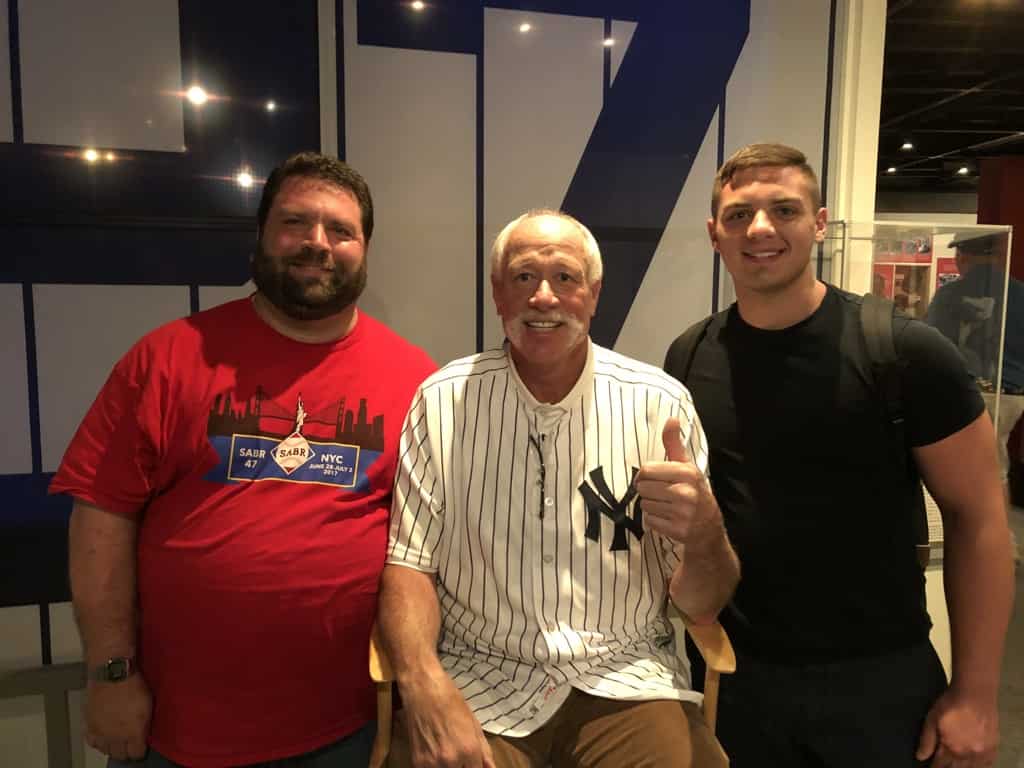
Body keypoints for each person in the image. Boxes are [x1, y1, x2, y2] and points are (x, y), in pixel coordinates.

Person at [49, 152, 436, 767]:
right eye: (295, 223)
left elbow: (424, 549)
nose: (317, 243)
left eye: (340, 230)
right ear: (260, 236)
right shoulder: (168, 358)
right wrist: (110, 674)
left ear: (364, 249)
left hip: (349, 729)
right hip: (177, 732)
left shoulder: (416, 378)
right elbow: (101, 519)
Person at [664, 143, 1015, 768]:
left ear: (819, 224)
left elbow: (981, 521)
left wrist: (977, 695)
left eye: (784, 209)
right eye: (740, 214)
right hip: (738, 677)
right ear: (714, 232)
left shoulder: (907, 353)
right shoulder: (690, 356)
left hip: (877, 680)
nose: (761, 229)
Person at [378, 209, 740, 768]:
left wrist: (706, 532)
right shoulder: (442, 401)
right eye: (523, 277)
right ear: (498, 294)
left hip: (626, 680)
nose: (543, 297)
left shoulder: (659, 405)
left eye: (565, 278)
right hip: (480, 675)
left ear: (594, 294)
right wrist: (422, 684)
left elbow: (701, 602)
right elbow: (409, 565)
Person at [926, 231, 1024, 505]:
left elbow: (933, 344)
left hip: (968, 392)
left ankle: (993, 540)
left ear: (962, 256)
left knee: (962, 469)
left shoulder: (950, 294)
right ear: (997, 256)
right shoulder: (1020, 293)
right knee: (996, 464)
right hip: (1012, 395)